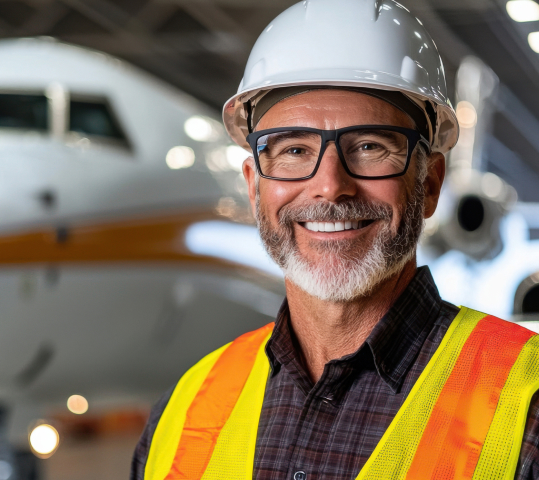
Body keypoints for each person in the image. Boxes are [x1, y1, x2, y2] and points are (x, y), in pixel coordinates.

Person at [131, 0, 539, 479]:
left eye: (369, 146)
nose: (329, 185)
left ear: (429, 183)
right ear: (253, 185)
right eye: (294, 149)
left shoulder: (527, 411)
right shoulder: (180, 416)